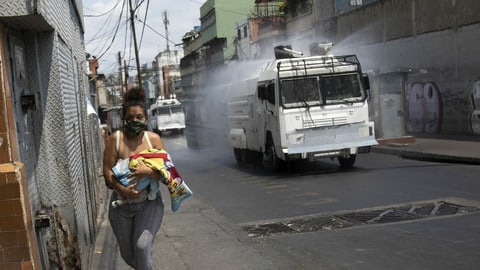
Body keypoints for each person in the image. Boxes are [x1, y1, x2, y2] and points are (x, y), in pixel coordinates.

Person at [103, 86, 165, 270]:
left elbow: (168, 173)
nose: (135, 121)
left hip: (149, 205)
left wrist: (148, 172)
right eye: (130, 118)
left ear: (146, 118)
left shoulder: (153, 140)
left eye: (139, 117)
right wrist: (123, 190)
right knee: (129, 256)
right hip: (121, 207)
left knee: (142, 247)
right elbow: (107, 172)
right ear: (123, 119)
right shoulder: (115, 140)